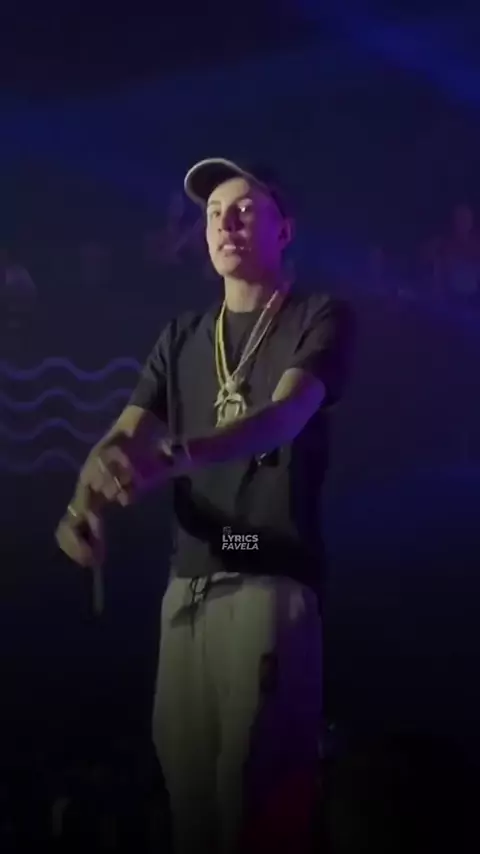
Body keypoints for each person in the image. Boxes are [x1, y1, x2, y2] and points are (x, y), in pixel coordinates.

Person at [55, 158, 354, 854]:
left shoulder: (318, 316)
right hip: (186, 585)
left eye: (245, 208)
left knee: (250, 787)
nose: (225, 222)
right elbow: (123, 436)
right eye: (214, 212)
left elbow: (283, 418)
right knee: (189, 802)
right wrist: (81, 506)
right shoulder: (183, 335)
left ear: (285, 229)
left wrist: (176, 455)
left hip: (269, 577)